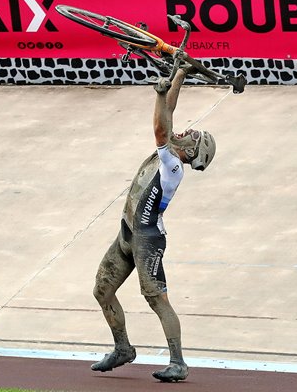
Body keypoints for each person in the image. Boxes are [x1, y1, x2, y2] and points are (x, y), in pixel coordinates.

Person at [91, 68, 216, 382]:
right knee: (102, 291)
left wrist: (160, 93)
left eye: (192, 135)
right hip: (127, 234)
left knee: (157, 299)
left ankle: (178, 362)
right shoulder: (171, 155)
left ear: (190, 153)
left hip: (147, 240)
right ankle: (123, 349)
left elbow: (161, 128)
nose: (185, 130)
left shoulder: (172, 164)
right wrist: (181, 75)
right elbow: (169, 114)